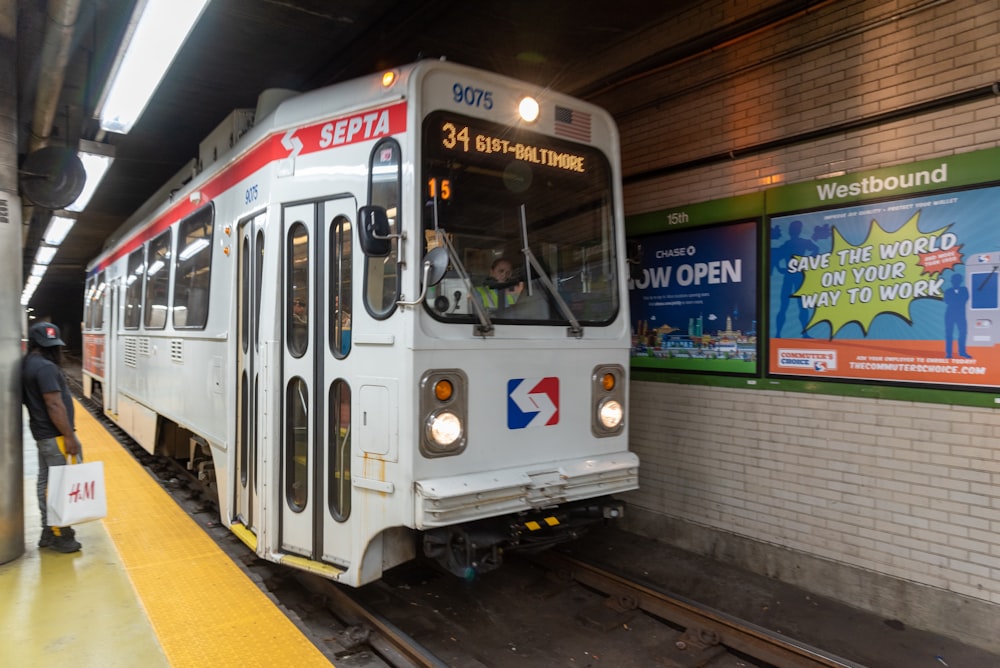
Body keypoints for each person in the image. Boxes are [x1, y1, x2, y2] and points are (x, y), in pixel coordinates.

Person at [21, 322, 83, 553]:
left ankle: (47, 531)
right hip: (55, 435)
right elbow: (54, 404)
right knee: (59, 486)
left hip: (43, 434)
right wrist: (69, 436)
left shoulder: (30, 364)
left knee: (46, 482)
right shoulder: (46, 368)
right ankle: (62, 534)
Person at [943, 272, 971, 359]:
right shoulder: (948, 291)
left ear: (960, 281)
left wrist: (955, 301)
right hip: (950, 314)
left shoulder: (964, 290)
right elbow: (947, 301)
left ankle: (962, 352)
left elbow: (965, 299)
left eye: (958, 280)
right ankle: (949, 353)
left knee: (963, 332)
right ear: (952, 281)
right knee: (949, 334)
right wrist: (957, 301)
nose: (956, 281)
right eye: (954, 280)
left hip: (960, 314)